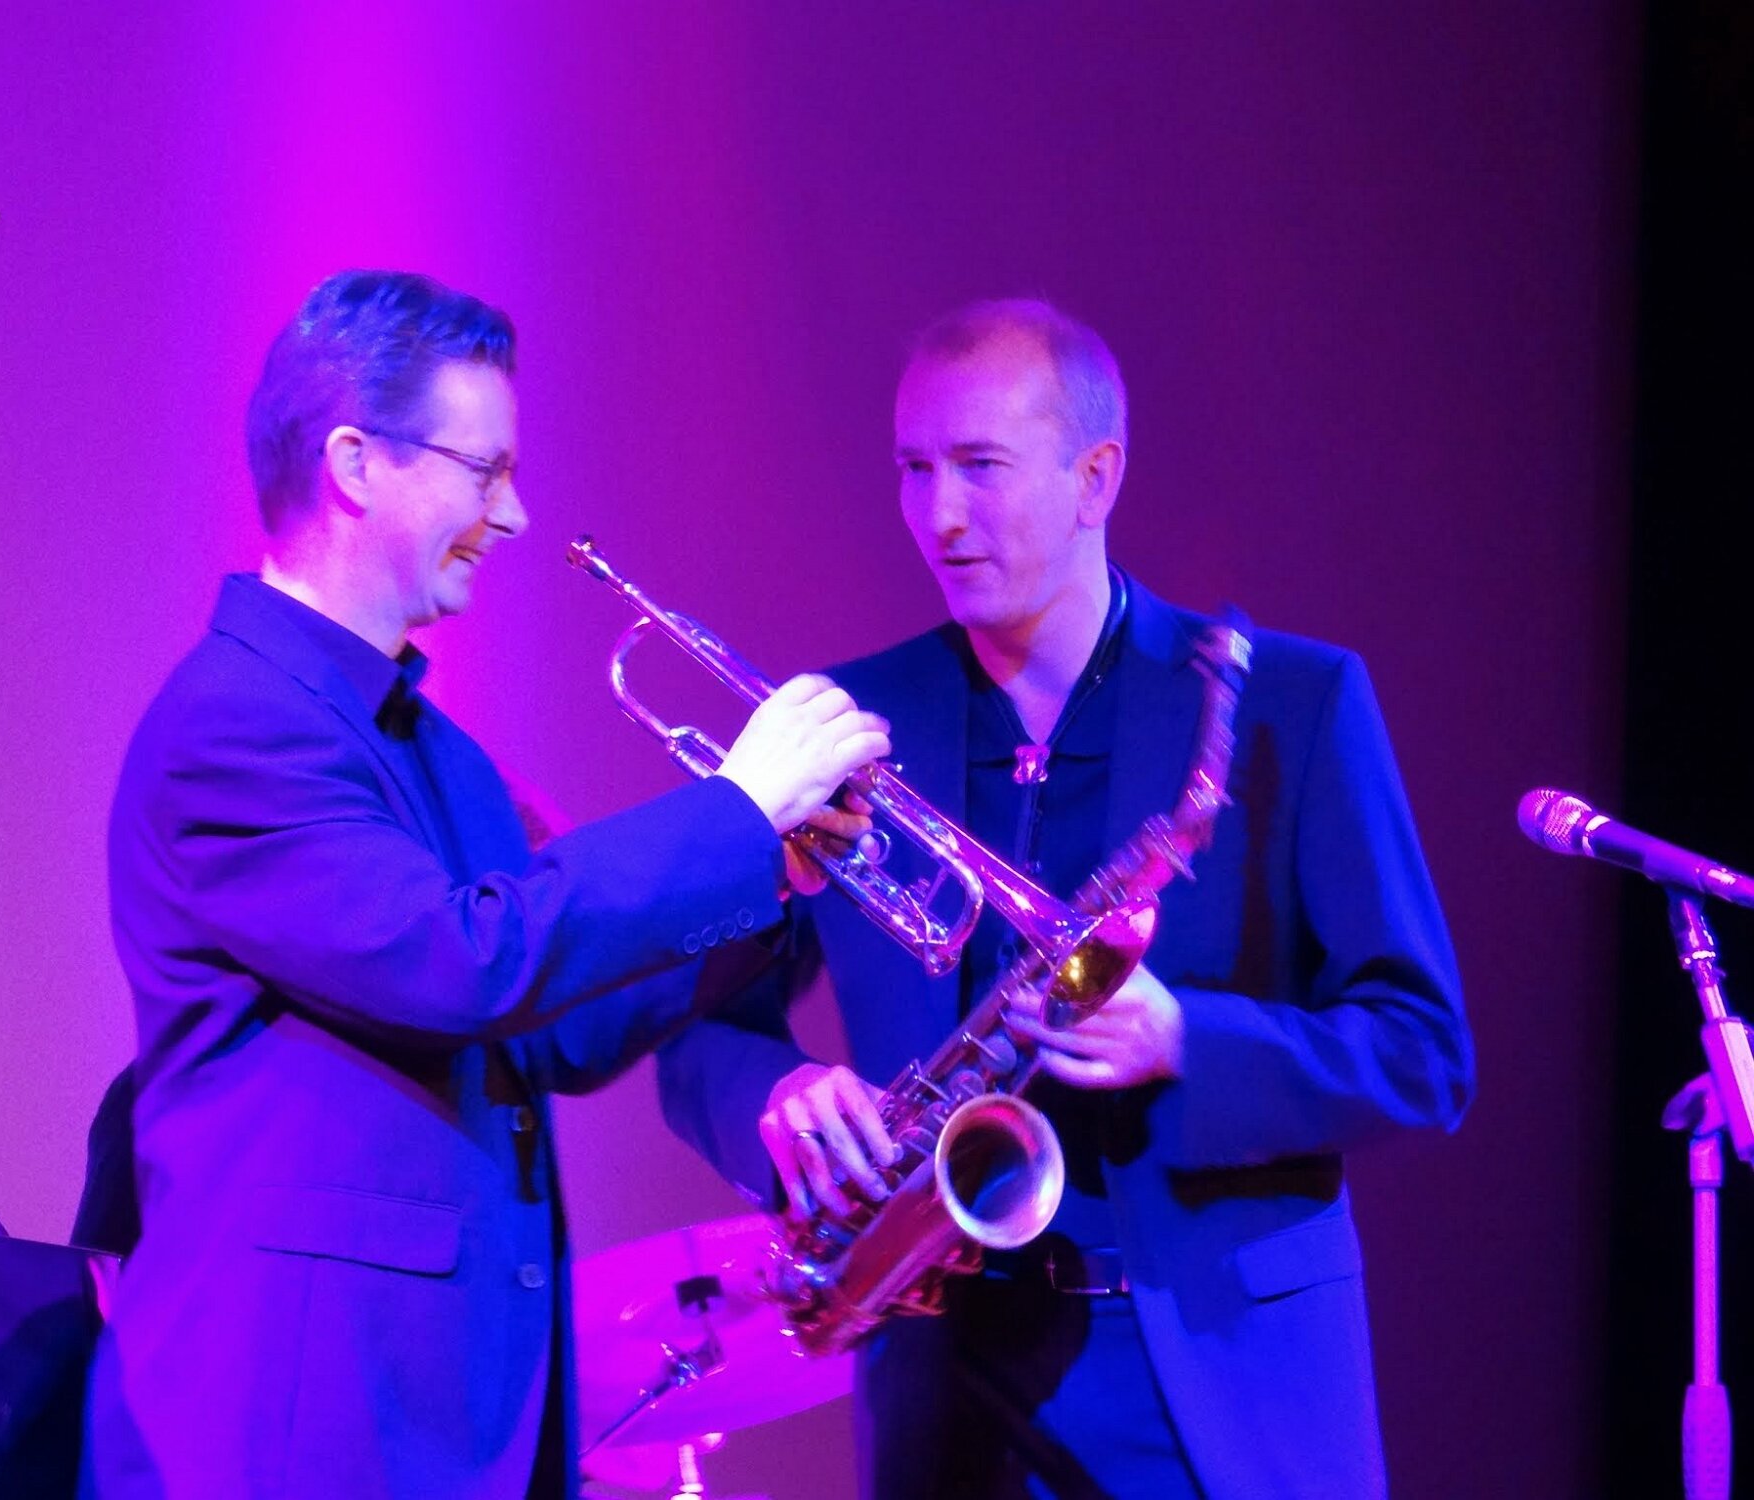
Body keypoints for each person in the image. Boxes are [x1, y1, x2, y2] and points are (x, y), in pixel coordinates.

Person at [79, 269, 889, 1500]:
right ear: (356, 465)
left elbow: (552, 1029)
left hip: (441, 1418)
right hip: (297, 1431)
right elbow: (459, 963)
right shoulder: (235, 722)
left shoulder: (435, 749)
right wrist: (730, 811)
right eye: (483, 470)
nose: (511, 514)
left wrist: (766, 876)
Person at [657, 300, 1475, 1499]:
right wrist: (776, 1099)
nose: (939, 514)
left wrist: (1184, 1040)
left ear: (1095, 478)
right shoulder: (840, 724)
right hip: (948, 1385)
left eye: (979, 466)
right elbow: (698, 1034)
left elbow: (1419, 1052)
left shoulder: (1289, 707)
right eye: (914, 469)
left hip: (1219, 1384)